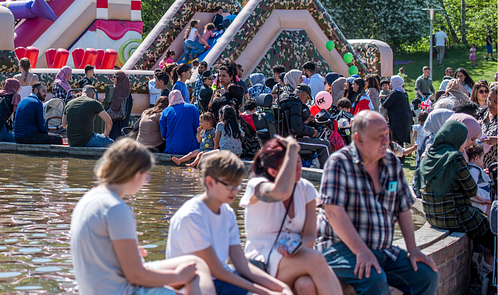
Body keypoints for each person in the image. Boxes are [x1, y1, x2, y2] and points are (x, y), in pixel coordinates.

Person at [70, 138, 215, 295]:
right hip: (119, 289)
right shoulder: (116, 209)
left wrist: (126, 251)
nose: (145, 181)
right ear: (136, 174)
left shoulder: (90, 198)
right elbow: (136, 276)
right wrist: (178, 276)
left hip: (96, 285)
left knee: (193, 263)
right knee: (192, 273)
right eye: (146, 176)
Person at [317, 111, 439, 294]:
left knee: (426, 275)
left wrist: (413, 249)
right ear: (358, 139)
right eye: (378, 137)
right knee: (374, 278)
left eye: (386, 134)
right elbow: (334, 212)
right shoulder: (339, 163)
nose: (385, 141)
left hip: (381, 249)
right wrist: (361, 251)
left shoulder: (391, 162)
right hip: (338, 247)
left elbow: (403, 207)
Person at [166, 151, 294, 295]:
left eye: (237, 185)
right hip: (195, 285)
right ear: (209, 182)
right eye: (229, 185)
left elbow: (242, 264)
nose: (235, 191)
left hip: (221, 281)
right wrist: (266, 292)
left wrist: (281, 287)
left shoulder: (227, 212)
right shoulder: (192, 217)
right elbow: (217, 271)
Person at [241, 136, 342, 294]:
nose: (297, 168)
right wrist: (292, 149)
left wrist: (296, 248)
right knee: (316, 259)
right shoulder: (257, 186)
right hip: (262, 258)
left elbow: (310, 236)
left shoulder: (306, 188)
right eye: (289, 164)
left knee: (305, 285)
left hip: (296, 254)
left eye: (298, 161)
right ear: (273, 171)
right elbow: (281, 192)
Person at [417, 119, 494, 255]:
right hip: (457, 216)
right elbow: (472, 190)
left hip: (432, 216)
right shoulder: (455, 158)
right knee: (492, 233)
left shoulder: (429, 155)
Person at [160, 90, 200, 155]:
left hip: (171, 148)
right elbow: (198, 128)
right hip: (191, 148)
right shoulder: (192, 108)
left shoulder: (165, 111)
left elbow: (163, 134)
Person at [466, 144, 491, 214]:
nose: (483, 162)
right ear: (476, 158)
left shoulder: (472, 169)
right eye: (482, 159)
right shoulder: (473, 170)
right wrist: (490, 197)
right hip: (482, 206)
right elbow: (473, 191)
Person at [108, 71, 132, 140]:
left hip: (114, 117)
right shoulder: (127, 91)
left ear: (119, 78)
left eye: (115, 77)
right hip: (123, 118)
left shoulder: (114, 89)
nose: (113, 79)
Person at [480, 86, 498, 166]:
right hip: (480, 167)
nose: (491, 104)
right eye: (489, 99)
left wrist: (496, 140)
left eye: (496, 101)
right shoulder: (482, 113)